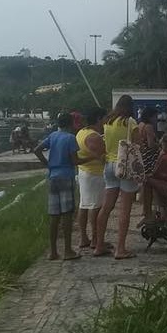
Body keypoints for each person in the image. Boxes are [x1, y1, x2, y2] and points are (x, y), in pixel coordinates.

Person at [93, 95, 141, 260]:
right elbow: (137, 145)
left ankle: (98, 245)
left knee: (106, 207)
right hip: (125, 167)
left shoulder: (108, 122)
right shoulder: (130, 123)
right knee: (125, 209)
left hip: (109, 166)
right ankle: (120, 249)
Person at [33, 113, 81, 261]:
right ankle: (67, 250)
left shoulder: (53, 136)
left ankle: (53, 252)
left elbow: (37, 149)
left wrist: (48, 164)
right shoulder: (70, 138)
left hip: (53, 177)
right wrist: (92, 158)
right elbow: (74, 161)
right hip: (66, 176)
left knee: (54, 215)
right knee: (67, 214)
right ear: (71, 123)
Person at [75, 107, 106, 252]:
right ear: (99, 119)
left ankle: (83, 237)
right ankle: (95, 238)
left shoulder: (81, 132)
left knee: (84, 205)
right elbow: (102, 156)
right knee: (95, 206)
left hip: (84, 172)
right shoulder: (94, 137)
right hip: (94, 174)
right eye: (104, 118)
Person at [137, 107, 161, 225]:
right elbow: (151, 144)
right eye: (155, 116)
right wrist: (160, 144)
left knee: (145, 184)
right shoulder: (149, 127)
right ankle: (148, 212)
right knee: (150, 185)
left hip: (143, 157)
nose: (157, 119)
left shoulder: (140, 125)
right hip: (150, 158)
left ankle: (145, 210)